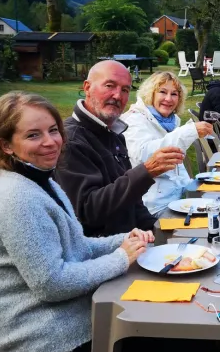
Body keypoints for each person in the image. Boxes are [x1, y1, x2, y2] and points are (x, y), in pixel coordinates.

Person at [0, 92, 220, 352]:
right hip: (42, 340)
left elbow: (76, 245)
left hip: (59, 320)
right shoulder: (17, 198)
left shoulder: (38, 180)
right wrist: (121, 259)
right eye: (33, 135)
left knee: (173, 317)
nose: (49, 142)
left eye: (53, 130)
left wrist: (120, 241)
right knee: (170, 332)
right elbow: (51, 283)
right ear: (5, 144)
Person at [55, 60, 185, 237]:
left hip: (137, 240)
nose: (117, 95)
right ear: (87, 87)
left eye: (125, 90)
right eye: (110, 85)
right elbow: (88, 211)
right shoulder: (71, 141)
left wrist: (160, 231)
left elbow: (133, 202)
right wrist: (145, 172)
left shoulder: (114, 133)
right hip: (107, 254)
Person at [121, 72, 213, 217]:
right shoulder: (134, 120)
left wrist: (194, 185)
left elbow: (176, 167)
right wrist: (188, 132)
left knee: (216, 209)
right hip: (151, 208)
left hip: (174, 201)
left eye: (174, 94)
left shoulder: (170, 121)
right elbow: (145, 156)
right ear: (150, 94)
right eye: (162, 92)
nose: (168, 99)